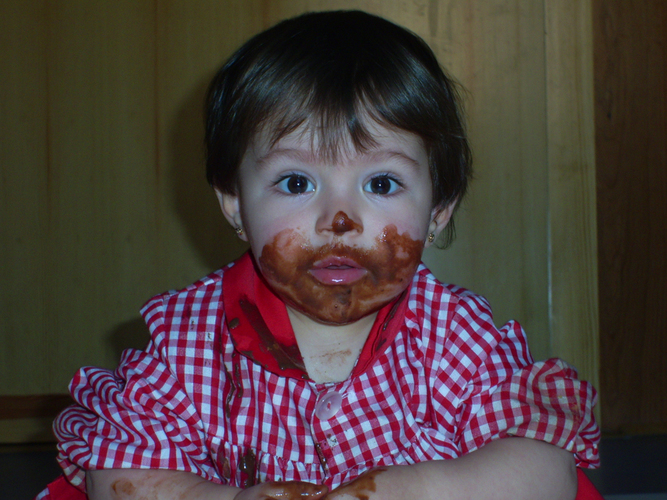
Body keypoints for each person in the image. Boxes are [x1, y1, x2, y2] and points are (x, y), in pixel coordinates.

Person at [37, 10, 601, 500]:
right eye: (295, 183)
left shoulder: (458, 340)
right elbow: (118, 471)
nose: (339, 220)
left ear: (438, 210)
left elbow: (546, 468)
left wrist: (420, 489)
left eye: (381, 183)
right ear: (235, 204)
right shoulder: (189, 344)